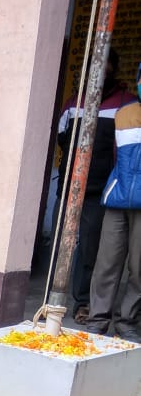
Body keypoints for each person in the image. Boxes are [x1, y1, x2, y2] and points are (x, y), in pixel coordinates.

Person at [56, 48, 135, 323]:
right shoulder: (73, 104)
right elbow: (62, 138)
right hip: (69, 186)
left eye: (105, 68)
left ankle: (83, 302)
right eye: (93, 69)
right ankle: (52, 302)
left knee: (90, 249)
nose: (98, 75)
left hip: (100, 190)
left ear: (114, 69)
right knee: (60, 246)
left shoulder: (126, 104)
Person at [85, 61, 141, 342]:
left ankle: (127, 321)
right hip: (117, 198)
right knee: (106, 262)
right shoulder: (125, 113)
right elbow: (112, 156)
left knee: (139, 268)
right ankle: (98, 320)